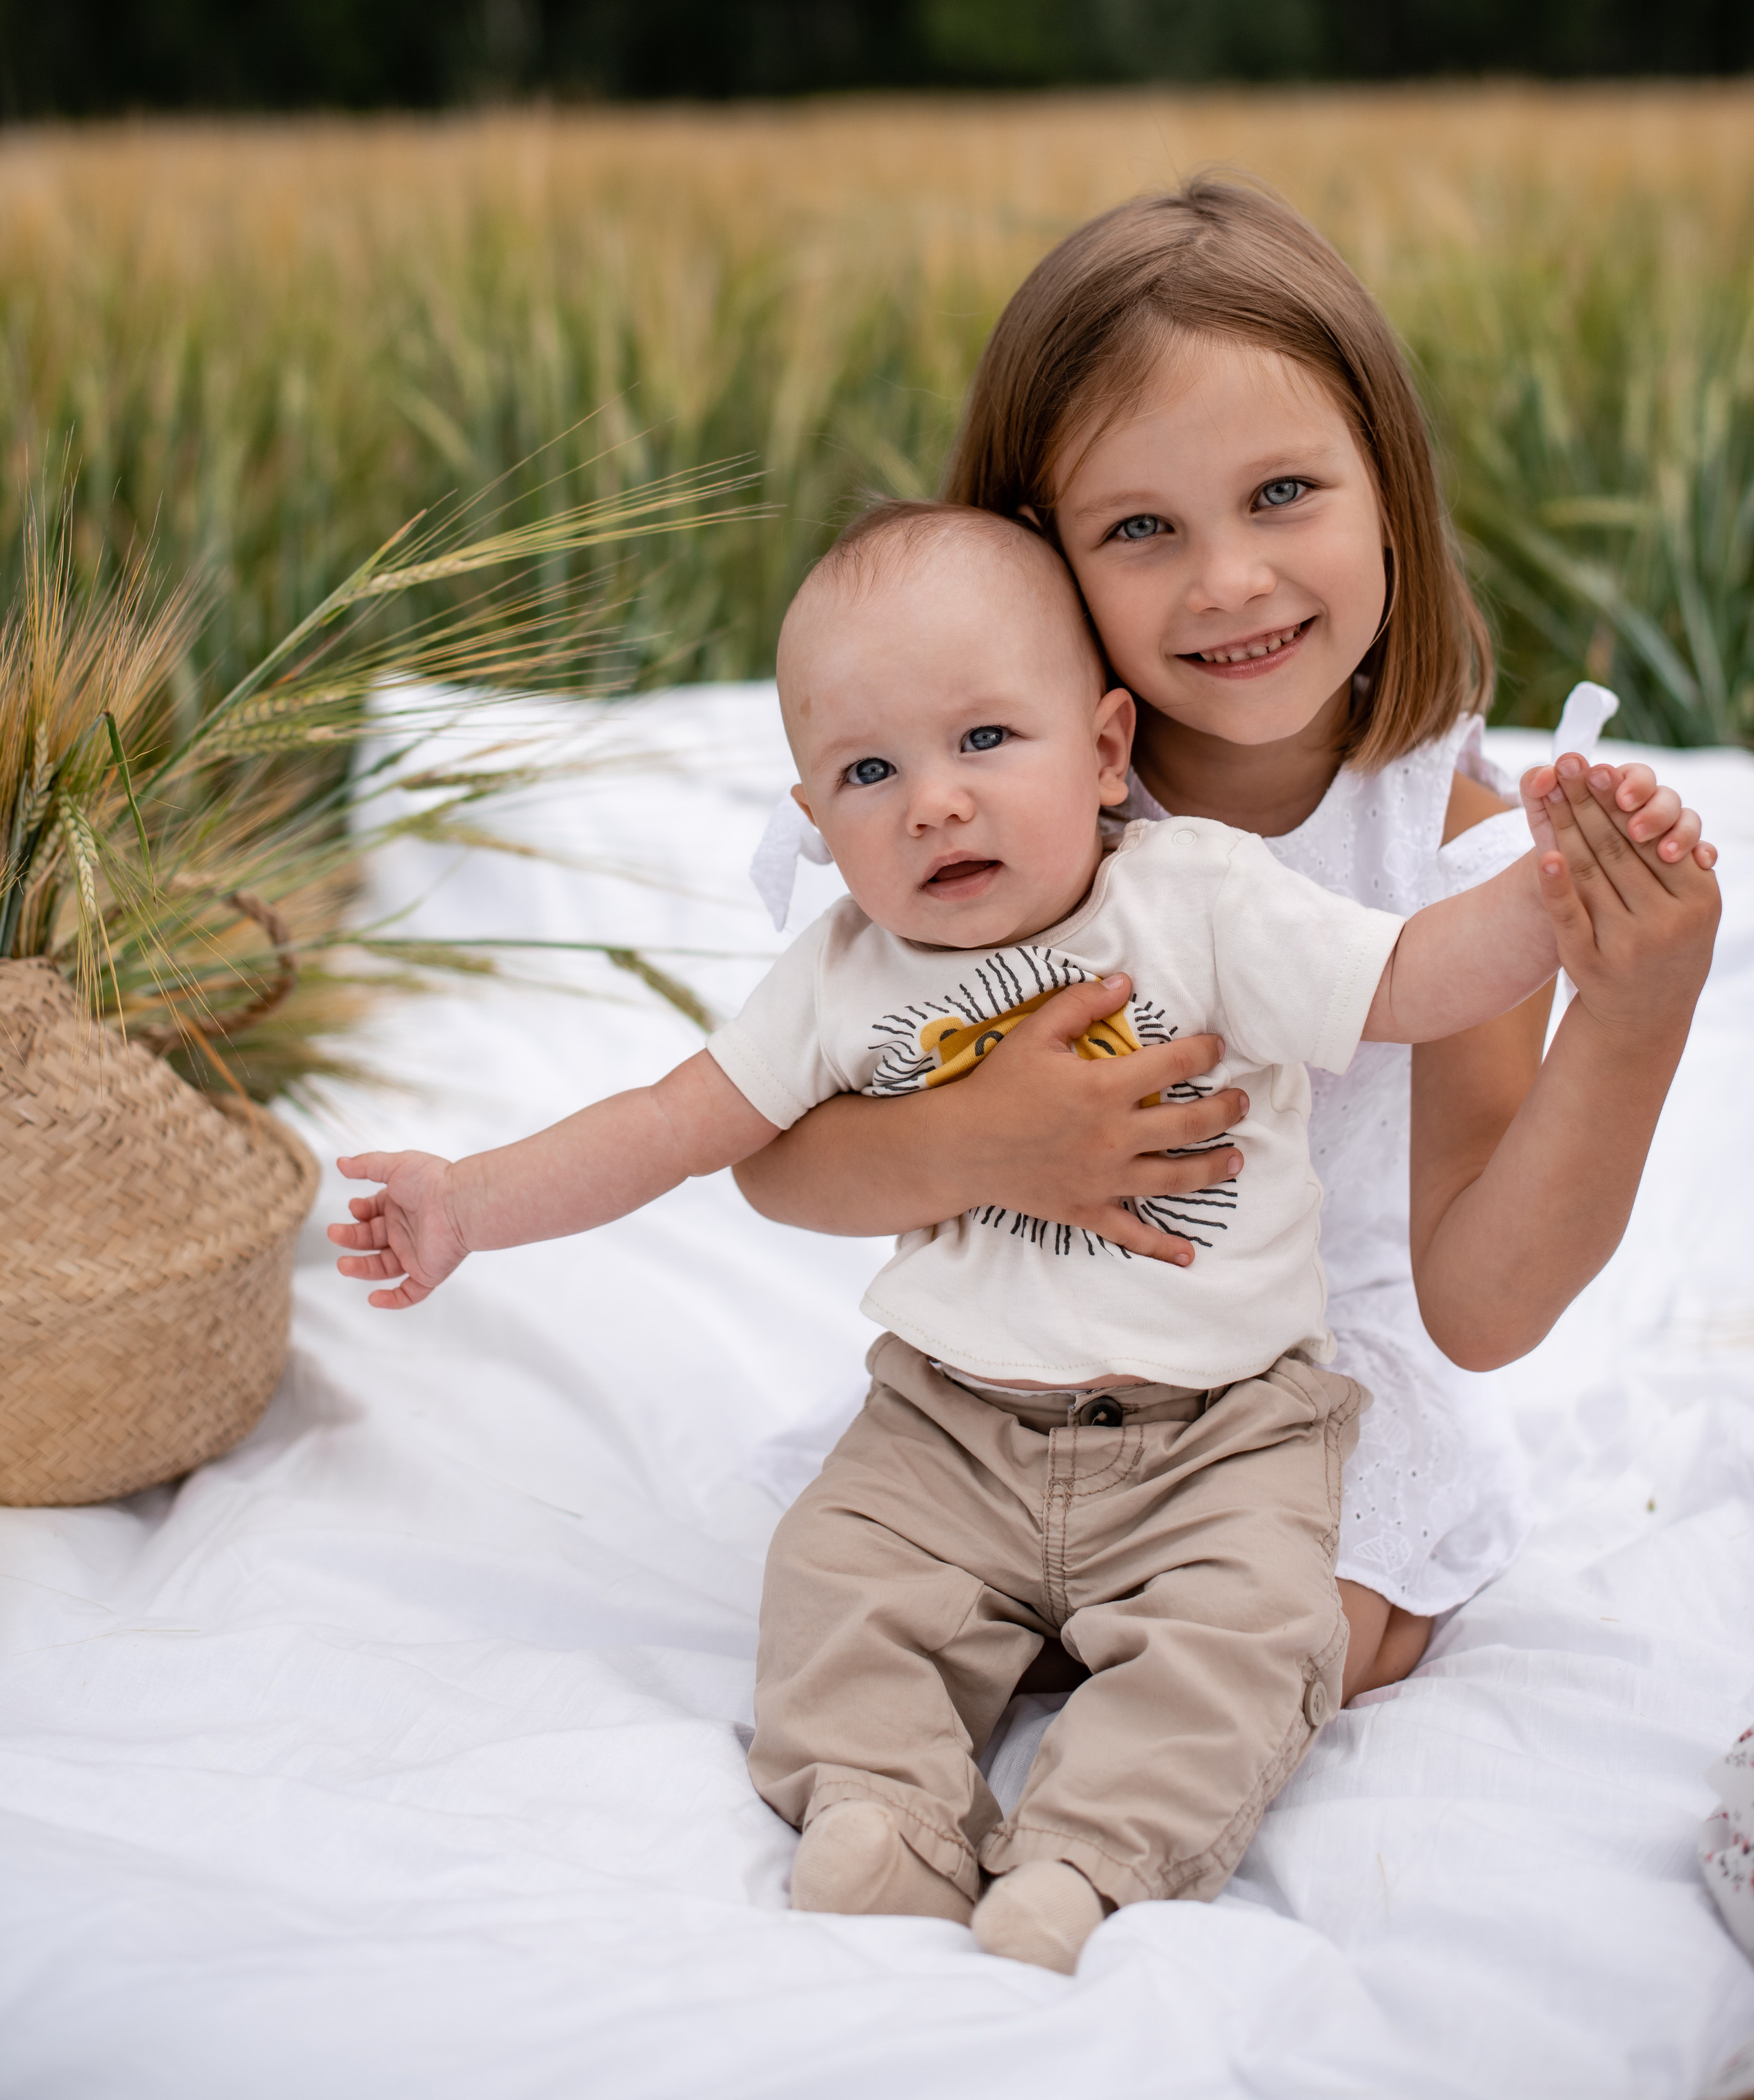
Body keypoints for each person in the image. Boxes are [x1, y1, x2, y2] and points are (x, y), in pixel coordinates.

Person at [327, 500, 1716, 1973]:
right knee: (834, 1590)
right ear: (814, 823)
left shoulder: (1194, 900)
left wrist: (1548, 888)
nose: (932, 801)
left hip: (1221, 1433)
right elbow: (672, 1125)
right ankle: (880, 1813)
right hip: (944, 1430)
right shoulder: (842, 977)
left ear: (1105, 752)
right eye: (869, 772)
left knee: (1250, 1641)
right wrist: (467, 1202)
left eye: (985, 741)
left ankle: (1087, 1862)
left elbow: (1409, 977)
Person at [732, 175, 1721, 1711]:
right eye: (1139, 527)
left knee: (1296, 1630)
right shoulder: (984, 824)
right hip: (1034, 1374)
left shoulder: (1444, 844)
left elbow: (1480, 1305)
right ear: (1037, 555)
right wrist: (984, 1141)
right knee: (882, 1605)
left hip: (1308, 1372)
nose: (1228, 581)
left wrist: (1628, 1008)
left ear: (1384, 486)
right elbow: (776, 1159)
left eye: (1281, 495)